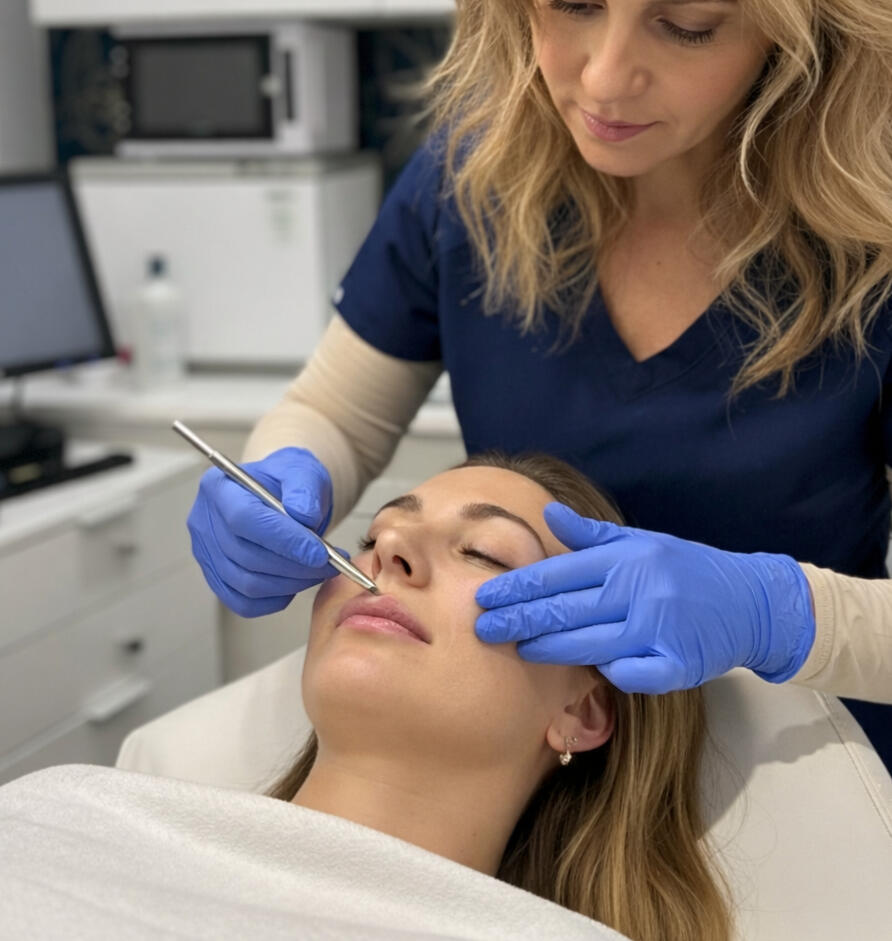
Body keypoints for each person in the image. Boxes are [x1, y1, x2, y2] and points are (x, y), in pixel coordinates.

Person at [186, 0, 892, 769]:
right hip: (536, 776)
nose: (605, 78)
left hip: (815, 773)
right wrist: (282, 475)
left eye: (688, 25)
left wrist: (779, 616)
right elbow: (334, 414)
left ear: (803, 30)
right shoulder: (472, 175)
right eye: (573, 4)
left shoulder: (876, 236)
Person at [0, 453, 730, 941]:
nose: (388, 554)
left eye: (483, 553)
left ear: (582, 711)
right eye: (374, 535)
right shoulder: (67, 809)